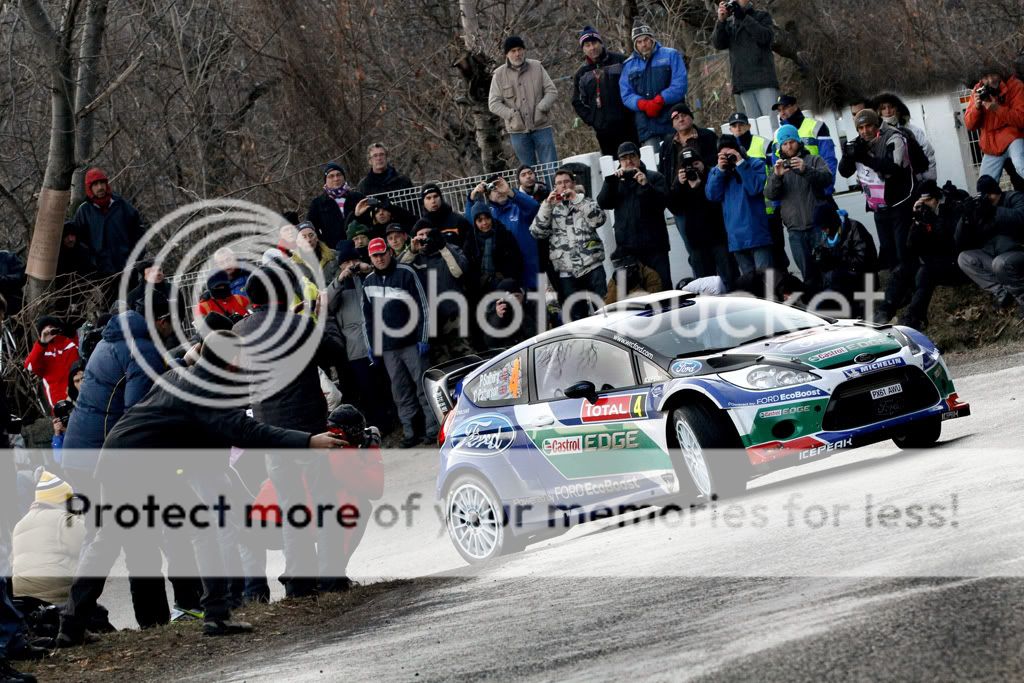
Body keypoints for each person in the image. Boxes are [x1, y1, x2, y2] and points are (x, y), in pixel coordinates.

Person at [57, 332, 347, 645]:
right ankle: (216, 615)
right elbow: (247, 430)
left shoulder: (183, 375)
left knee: (109, 540)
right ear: (233, 361)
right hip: (139, 463)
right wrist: (307, 440)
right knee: (194, 529)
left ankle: (71, 626)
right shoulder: (206, 391)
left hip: (120, 455)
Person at [362, 238, 438, 448]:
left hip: (412, 342)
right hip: (388, 348)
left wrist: (423, 336)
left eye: (382, 253)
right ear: (370, 258)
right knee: (400, 392)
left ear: (389, 252)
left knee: (423, 386)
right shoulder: (368, 282)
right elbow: (367, 319)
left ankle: (433, 429)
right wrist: (371, 345)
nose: (380, 258)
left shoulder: (406, 272)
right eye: (375, 256)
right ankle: (410, 431)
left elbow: (424, 305)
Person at [838, 108, 915, 281]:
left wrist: (864, 157)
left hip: (898, 201)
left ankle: (910, 283)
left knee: (902, 248)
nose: (865, 131)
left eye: (869, 126)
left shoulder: (894, 137)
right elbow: (844, 172)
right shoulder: (858, 142)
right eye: (861, 128)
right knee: (888, 249)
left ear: (876, 124)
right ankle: (898, 287)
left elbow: (893, 168)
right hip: (878, 206)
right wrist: (848, 155)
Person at [324, 241, 394, 433]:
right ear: (340, 265)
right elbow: (326, 305)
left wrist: (369, 268)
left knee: (385, 384)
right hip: (355, 347)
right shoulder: (337, 284)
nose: (352, 265)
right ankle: (377, 425)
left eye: (354, 260)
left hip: (378, 340)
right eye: (347, 262)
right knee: (367, 390)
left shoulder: (369, 277)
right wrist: (340, 280)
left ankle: (393, 420)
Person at [529, 167, 608, 322]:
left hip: (592, 266)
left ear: (573, 183)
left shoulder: (585, 201)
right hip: (567, 273)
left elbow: (599, 220)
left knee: (604, 310)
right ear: (555, 187)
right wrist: (546, 205)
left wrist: (577, 200)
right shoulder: (550, 208)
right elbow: (536, 232)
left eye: (566, 182)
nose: (563, 186)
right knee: (578, 319)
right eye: (559, 183)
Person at [887, 180, 967, 328]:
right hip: (934, 259)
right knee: (901, 270)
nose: (926, 204)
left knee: (926, 272)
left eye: (929, 200)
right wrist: (917, 220)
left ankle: (914, 318)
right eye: (923, 201)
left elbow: (953, 242)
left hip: (956, 262)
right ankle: (883, 314)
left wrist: (933, 220)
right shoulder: (924, 213)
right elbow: (911, 247)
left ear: (937, 198)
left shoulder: (953, 207)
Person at [763, 124, 834, 288]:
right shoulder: (779, 168)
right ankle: (815, 309)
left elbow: (827, 179)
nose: (789, 146)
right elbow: (770, 194)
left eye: (792, 142)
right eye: (785, 143)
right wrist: (777, 177)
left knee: (827, 270)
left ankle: (836, 307)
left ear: (798, 142)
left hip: (818, 227)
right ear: (780, 146)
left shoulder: (813, 160)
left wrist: (805, 169)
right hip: (795, 231)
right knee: (808, 275)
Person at [597, 141, 671, 288]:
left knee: (663, 288)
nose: (629, 161)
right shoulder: (616, 181)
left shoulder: (654, 177)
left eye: (632, 156)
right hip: (628, 250)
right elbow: (603, 202)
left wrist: (645, 185)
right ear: (619, 161)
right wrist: (611, 183)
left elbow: (660, 204)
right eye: (624, 158)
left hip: (655, 246)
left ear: (639, 157)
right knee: (637, 294)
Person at [658, 102, 719, 272]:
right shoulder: (667, 145)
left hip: (708, 199)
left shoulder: (707, 136)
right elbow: (663, 174)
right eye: (676, 118)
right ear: (672, 124)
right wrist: (675, 184)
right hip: (681, 203)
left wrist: (704, 168)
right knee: (695, 253)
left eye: (684, 115)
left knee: (719, 248)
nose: (681, 119)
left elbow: (718, 164)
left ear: (691, 117)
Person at [957, 174, 1024, 320]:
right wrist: (965, 218)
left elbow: (1021, 217)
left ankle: (1022, 299)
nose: (986, 199)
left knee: (1000, 263)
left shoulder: (1014, 198)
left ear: (994, 193)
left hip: (1017, 252)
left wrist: (994, 211)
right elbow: (959, 241)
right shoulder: (982, 209)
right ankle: (1003, 293)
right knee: (964, 258)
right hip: (994, 256)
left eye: (987, 196)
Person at [12, 472, 85, 606]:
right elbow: (84, 547)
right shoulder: (64, 520)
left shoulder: (19, 524)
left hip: (22, 596)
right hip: (57, 596)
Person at [665, 147, 734, 287]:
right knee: (705, 285)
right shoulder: (681, 183)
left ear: (702, 162)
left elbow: (715, 198)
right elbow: (675, 208)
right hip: (697, 243)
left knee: (729, 279)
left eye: (695, 164)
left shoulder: (713, 175)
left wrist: (698, 186)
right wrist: (678, 185)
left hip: (719, 238)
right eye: (687, 166)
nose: (693, 169)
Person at [705, 134, 774, 275]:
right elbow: (712, 195)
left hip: (757, 234)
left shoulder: (755, 164)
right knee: (750, 284)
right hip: (736, 238)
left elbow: (755, 188)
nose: (728, 157)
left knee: (766, 280)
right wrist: (720, 170)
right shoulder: (717, 171)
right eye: (723, 154)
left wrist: (741, 163)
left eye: (730, 153)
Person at [488, 35, 559, 169]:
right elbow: (493, 104)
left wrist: (541, 107)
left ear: (524, 50)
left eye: (520, 49)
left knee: (551, 167)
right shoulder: (499, 75)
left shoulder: (537, 66)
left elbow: (552, 91)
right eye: (513, 51)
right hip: (517, 131)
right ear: (507, 54)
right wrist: (511, 114)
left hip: (542, 126)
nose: (517, 54)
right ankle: (535, 191)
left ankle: (553, 190)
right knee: (528, 173)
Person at [406, 227, 472, 363]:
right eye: (421, 235)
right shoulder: (414, 257)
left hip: (453, 316)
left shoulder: (450, 248)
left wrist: (442, 246)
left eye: (428, 234)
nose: (425, 237)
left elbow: (459, 271)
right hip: (430, 322)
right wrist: (411, 251)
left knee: (466, 357)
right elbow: (398, 274)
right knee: (442, 364)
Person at [728, 111, 785, 268]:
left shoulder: (763, 144)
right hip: (748, 214)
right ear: (730, 129)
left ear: (749, 126)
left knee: (778, 255)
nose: (738, 128)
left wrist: (777, 203)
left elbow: (776, 172)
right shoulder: (729, 151)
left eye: (741, 124)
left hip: (769, 209)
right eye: (734, 125)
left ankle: (784, 289)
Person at [571, 25, 639, 157]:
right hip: (603, 130)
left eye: (594, 43)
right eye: (587, 45)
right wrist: (593, 119)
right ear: (583, 49)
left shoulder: (621, 61)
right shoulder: (582, 74)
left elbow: (636, 85)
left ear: (601, 43)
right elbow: (577, 101)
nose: (592, 48)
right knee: (612, 164)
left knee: (634, 158)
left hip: (628, 123)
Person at [619, 22, 688, 151]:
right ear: (635, 45)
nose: (643, 44)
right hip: (647, 124)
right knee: (653, 163)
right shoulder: (628, 65)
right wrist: (642, 104)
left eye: (646, 39)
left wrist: (660, 99)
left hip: (673, 119)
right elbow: (626, 94)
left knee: (678, 157)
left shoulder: (671, 55)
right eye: (639, 42)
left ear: (652, 39)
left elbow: (680, 84)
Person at [466, 175, 540, 289]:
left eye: (500, 186)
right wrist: (471, 199)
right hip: (507, 279)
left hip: (530, 272)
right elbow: (471, 222)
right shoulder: (488, 215)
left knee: (536, 306)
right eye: (493, 189)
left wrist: (510, 192)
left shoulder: (519, 207)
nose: (498, 191)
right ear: (488, 195)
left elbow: (534, 207)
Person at [71, 167, 145, 279]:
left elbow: (139, 233)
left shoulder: (122, 205)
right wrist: (92, 263)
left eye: (102, 183)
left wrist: (135, 258)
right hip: (101, 274)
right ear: (89, 188)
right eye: (95, 184)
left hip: (127, 270)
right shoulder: (84, 211)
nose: (100, 187)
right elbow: (79, 242)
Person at [711, 0, 779, 118]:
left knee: (772, 123)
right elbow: (718, 44)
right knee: (754, 127)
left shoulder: (761, 16)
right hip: (743, 82)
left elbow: (765, 37)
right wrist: (721, 21)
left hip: (764, 80)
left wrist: (743, 17)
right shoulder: (730, 22)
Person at [811, 203, 877, 315]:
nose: (823, 230)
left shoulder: (854, 228)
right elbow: (821, 261)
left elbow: (864, 260)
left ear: (832, 221)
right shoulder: (823, 235)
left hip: (858, 280)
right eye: (821, 228)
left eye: (825, 227)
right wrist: (821, 260)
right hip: (835, 283)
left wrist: (838, 257)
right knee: (818, 307)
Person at [964, 66, 1024, 185]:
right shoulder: (978, 90)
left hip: (1013, 137)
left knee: (1021, 166)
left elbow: (1021, 118)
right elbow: (969, 125)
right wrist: (977, 108)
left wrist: (997, 109)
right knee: (984, 184)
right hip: (991, 143)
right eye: (986, 77)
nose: (991, 80)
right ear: (981, 79)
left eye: (993, 75)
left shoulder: (1015, 85)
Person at [771, 94, 837, 194]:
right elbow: (775, 167)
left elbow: (829, 159)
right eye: (779, 110)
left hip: (816, 187)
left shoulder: (816, 126)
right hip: (792, 193)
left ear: (795, 106)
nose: (782, 113)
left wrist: (826, 189)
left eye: (785, 108)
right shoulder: (777, 134)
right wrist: (778, 203)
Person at [873, 91, 937, 182]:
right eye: (883, 108)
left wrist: (929, 181)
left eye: (891, 107)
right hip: (889, 185)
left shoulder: (913, 131)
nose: (888, 111)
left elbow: (928, 153)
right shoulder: (876, 134)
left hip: (915, 182)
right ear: (878, 112)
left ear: (897, 109)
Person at [467, 204, 524, 297]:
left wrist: (504, 279)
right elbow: (469, 267)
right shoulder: (471, 241)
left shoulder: (504, 235)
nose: (484, 223)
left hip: (505, 286)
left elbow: (517, 261)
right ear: (475, 223)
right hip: (481, 290)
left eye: (487, 218)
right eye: (480, 220)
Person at [306, 162, 365, 250]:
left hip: (359, 245)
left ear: (344, 177)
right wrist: (324, 245)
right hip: (334, 250)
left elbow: (368, 220)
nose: (336, 178)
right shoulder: (318, 203)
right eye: (331, 176)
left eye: (339, 175)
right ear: (325, 180)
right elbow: (311, 227)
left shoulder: (357, 197)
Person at [24, 317, 79, 409]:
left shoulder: (70, 344)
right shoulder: (41, 351)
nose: (49, 331)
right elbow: (29, 366)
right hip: (60, 403)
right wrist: (42, 343)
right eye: (45, 329)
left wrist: (71, 333)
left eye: (52, 327)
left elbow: (84, 353)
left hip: (81, 397)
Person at [482, 279, 539, 350]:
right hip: (507, 352)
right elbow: (490, 342)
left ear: (523, 294)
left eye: (516, 296)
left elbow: (536, 335)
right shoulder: (495, 309)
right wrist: (497, 317)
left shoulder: (532, 305)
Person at [419, 183, 474, 252]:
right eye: (428, 198)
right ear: (423, 202)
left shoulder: (458, 220)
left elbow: (470, 248)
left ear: (441, 198)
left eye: (435, 196)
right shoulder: (421, 226)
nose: (433, 201)